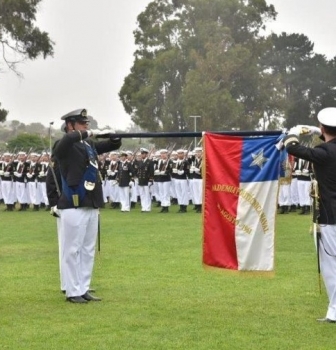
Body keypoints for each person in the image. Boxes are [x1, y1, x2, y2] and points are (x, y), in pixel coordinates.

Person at [49, 108, 121, 303]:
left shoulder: (88, 145)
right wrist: (86, 133)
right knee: (72, 249)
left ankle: (83, 287)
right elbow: (65, 143)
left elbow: (108, 146)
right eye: (82, 123)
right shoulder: (64, 145)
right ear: (70, 125)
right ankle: (72, 291)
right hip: (74, 201)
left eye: (87, 123)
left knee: (88, 249)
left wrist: (114, 138)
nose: (86, 126)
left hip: (91, 201)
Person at [283, 107, 336, 323]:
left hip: (330, 216)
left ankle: (335, 309)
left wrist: (296, 131)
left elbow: (291, 146)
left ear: (323, 128)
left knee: (331, 265)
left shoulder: (324, 153)